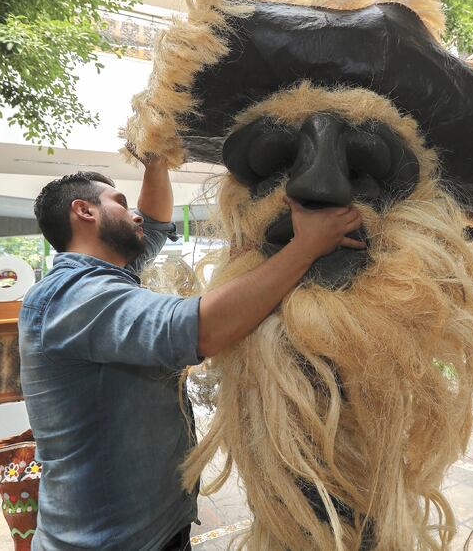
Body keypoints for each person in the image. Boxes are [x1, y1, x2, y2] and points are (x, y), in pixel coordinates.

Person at [19, 153, 364, 551]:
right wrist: (305, 247)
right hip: (107, 542)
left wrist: (156, 161)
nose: (135, 216)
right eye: (120, 203)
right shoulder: (71, 296)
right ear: (84, 210)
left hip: (154, 530)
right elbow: (200, 329)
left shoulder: (109, 275)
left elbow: (155, 223)